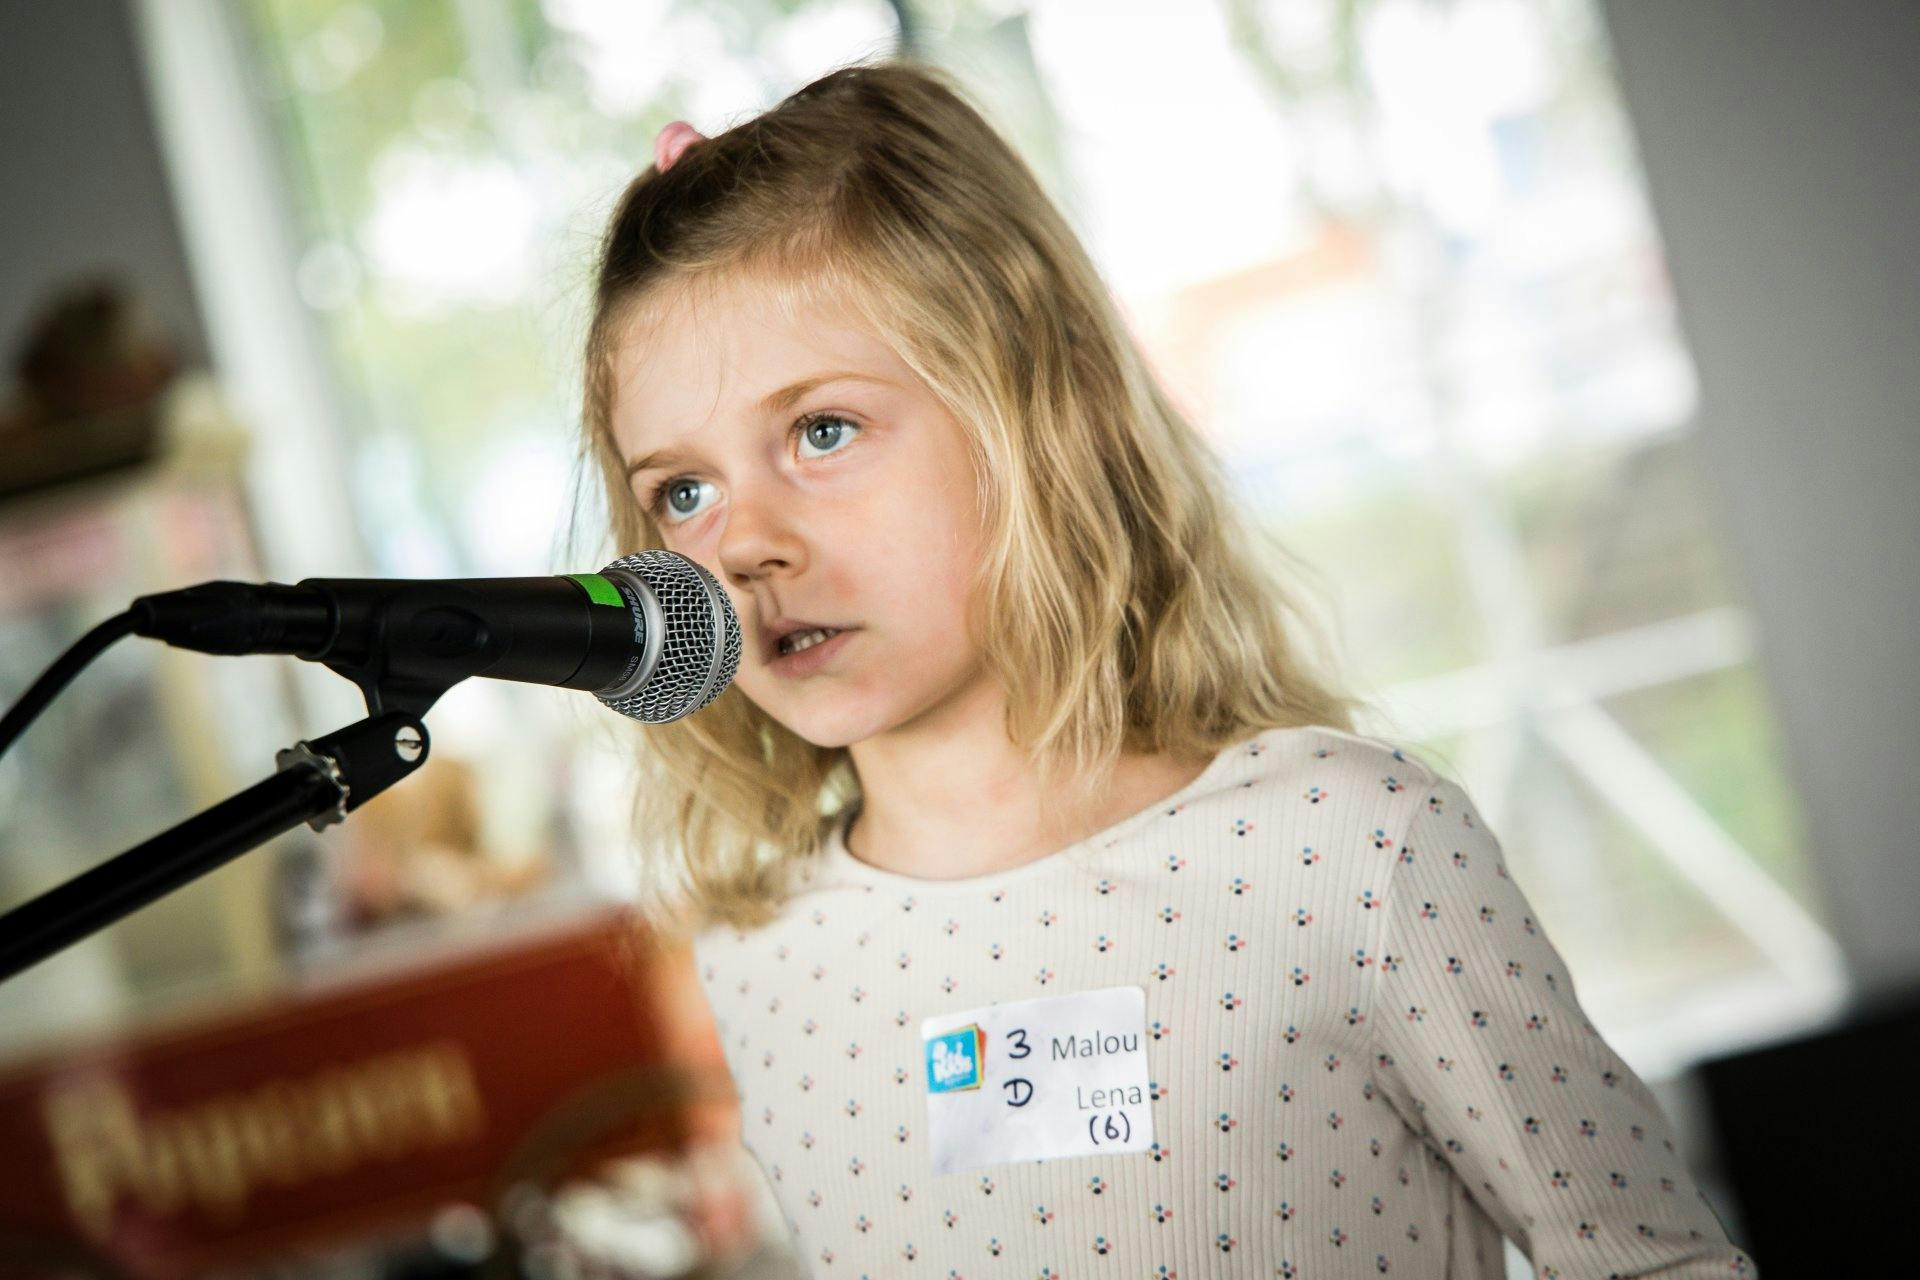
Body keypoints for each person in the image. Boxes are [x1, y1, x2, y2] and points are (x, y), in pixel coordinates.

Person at [575, 57, 1758, 1279]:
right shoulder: (763, 952)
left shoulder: (1351, 851)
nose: (743, 542)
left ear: (1037, 412)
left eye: (822, 431)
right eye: (684, 492)